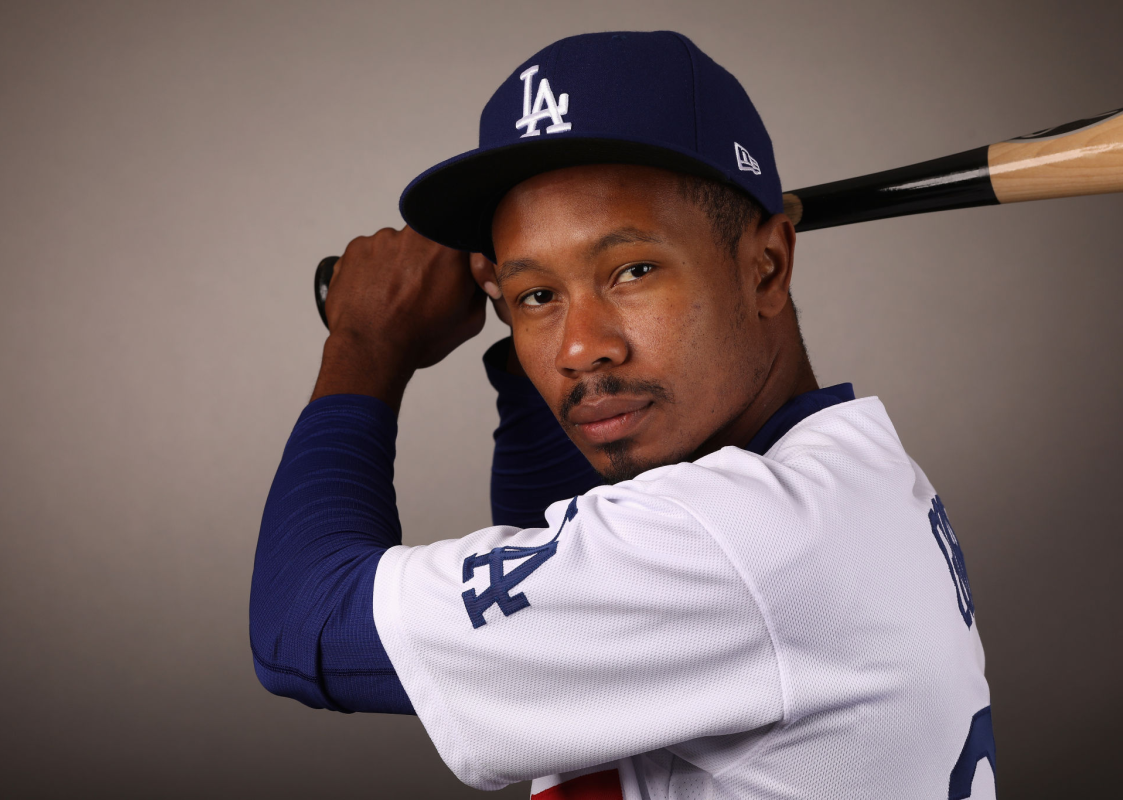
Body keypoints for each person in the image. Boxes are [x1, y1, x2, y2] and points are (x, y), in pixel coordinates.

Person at [249, 31, 995, 799]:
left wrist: (368, 343)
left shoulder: (733, 540)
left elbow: (300, 627)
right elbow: (565, 538)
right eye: (538, 298)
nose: (579, 348)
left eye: (632, 271)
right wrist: (528, 316)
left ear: (767, 266)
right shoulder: (846, 475)